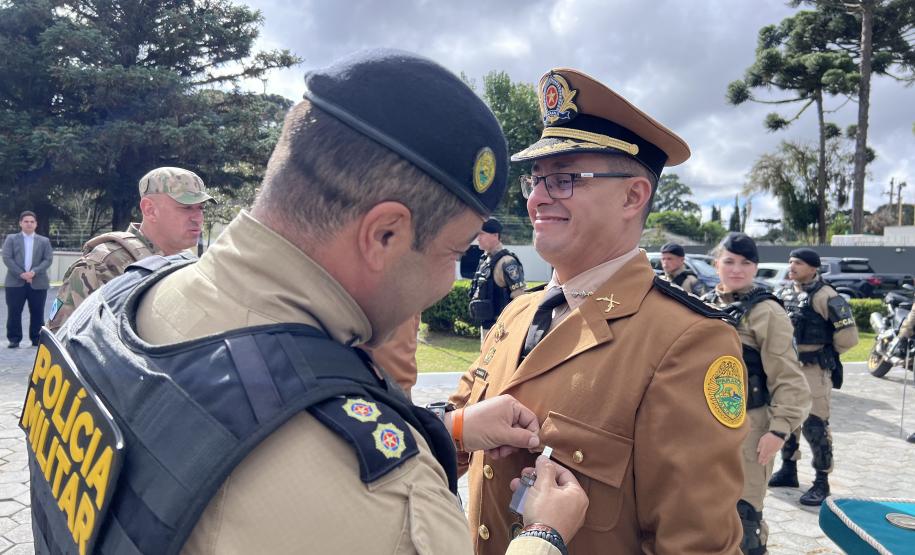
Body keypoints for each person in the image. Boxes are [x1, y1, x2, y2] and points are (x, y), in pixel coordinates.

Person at [25, 49, 588, 555]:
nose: (449, 281)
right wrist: (543, 536)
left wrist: (453, 427)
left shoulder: (120, 299)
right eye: (453, 253)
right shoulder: (389, 497)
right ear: (385, 234)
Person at [450, 67, 749, 554]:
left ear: (633, 196)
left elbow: (696, 544)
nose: (537, 199)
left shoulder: (687, 341)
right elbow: (459, 429)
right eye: (536, 180)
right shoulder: (519, 313)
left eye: (565, 179)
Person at [703, 233, 811, 555]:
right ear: (716, 264)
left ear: (756, 268)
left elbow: (789, 376)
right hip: (704, 425)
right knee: (704, 509)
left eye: (746, 263)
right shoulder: (704, 303)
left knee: (743, 516)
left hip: (750, 427)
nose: (737, 270)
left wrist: (779, 430)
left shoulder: (767, 311)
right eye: (730, 261)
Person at [46, 166, 214, 332]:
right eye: (186, 208)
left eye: (201, 208)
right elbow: (60, 343)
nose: (198, 218)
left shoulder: (191, 266)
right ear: (150, 209)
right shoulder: (102, 266)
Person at [769, 248, 859, 506]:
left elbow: (849, 337)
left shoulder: (828, 297)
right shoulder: (786, 292)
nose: (792, 266)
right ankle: (788, 470)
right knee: (787, 418)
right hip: (788, 368)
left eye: (797, 263)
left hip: (813, 370)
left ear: (813, 267)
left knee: (815, 423)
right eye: (790, 262)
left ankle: (821, 481)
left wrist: (823, 353)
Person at [468, 217, 526, 340]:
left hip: (502, 330)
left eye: (482, 234)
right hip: (486, 326)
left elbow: (519, 297)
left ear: (495, 235)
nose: (478, 238)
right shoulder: (485, 260)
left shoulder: (507, 262)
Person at [2, 211, 53, 348]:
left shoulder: (44, 241)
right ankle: (14, 339)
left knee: (37, 312)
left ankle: (37, 339)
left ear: (36, 224)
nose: (29, 224)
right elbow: (7, 258)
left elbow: (48, 259)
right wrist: (22, 274)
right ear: (20, 223)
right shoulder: (11, 239)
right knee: (14, 312)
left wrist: (33, 272)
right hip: (15, 282)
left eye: (32, 221)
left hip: (38, 282)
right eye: (26, 221)